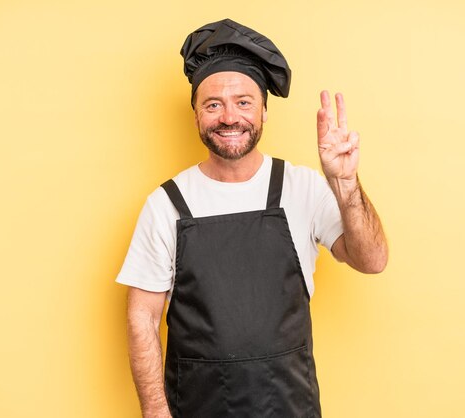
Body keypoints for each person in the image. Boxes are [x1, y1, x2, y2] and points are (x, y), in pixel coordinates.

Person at [118, 18, 388, 417]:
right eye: (213, 104)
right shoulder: (168, 204)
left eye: (243, 102)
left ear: (263, 111)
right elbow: (142, 316)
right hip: (196, 406)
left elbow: (372, 261)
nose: (229, 117)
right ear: (196, 115)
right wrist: (156, 412)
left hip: (289, 406)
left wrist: (345, 183)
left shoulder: (303, 187)